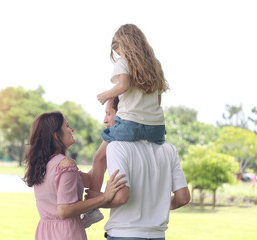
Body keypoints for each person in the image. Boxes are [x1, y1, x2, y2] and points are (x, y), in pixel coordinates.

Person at [84, 23, 170, 227]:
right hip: (156, 127)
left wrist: (105, 95)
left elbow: (123, 85)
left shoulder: (124, 62)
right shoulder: (155, 64)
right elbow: (158, 101)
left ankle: (92, 208)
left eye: (118, 48)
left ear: (124, 45)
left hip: (130, 124)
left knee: (99, 158)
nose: (118, 53)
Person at [86, 98, 191, 240]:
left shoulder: (117, 147)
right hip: (157, 235)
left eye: (109, 114)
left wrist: (95, 201)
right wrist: (159, 206)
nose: (105, 120)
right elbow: (183, 198)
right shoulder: (169, 149)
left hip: (124, 233)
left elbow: (122, 197)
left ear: (123, 114)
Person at [23, 111, 127, 240]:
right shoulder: (66, 164)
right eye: (67, 126)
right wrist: (105, 197)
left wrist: (104, 147)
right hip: (66, 233)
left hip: (45, 232)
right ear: (56, 136)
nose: (71, 129)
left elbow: (89, 180)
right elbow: (64, 210)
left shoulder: (45, 164)